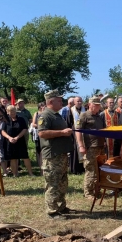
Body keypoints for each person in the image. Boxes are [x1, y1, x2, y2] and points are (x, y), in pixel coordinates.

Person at [38, 89, 74, 220]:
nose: (62, 102)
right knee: (53, 183)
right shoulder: (45, 115)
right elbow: (42, 133)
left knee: (62, 181)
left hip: (61, 155)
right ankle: (52, 211)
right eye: (59, 100)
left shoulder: (56, 115)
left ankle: (61, 206)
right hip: (52, 156)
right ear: (51, 101)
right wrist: (63, 133)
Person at [75, 96, 106, 200]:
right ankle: (88, 193)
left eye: (98, 105)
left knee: (99, 170)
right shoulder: (84, 115)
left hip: (100, 147)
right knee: (90, 170)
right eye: (95, 105)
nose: (97, 107)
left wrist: (104, 141)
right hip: (90, 148)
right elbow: (78, 131)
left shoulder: (99, 116)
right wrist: (81, 146)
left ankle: (97, 190)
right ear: (89, 105)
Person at [1, 105, 34, 177]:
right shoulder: (5, 120)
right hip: (10, 141)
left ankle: (31, 173)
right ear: (7, 112)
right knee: (13, 158)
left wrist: (17, 137)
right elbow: (3, 131)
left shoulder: (21, 119)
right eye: (11, 111)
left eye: (14, 111)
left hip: (20, 140)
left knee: (25, 156)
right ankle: (15, 174)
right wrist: (9, 138)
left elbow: (25, 129)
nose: (13, 113)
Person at [66, 96, 85, 174]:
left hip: (84, 132)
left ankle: (84, 168)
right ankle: (75, 169)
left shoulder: (85, 109)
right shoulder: (71, 110)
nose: (79, 103)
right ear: (74, 102)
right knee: (75, 151)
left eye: (80, 101)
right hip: (74, 133)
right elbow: (68, 122)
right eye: (77, 101)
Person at [31, 102, 46, 175]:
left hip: (46, 134)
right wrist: (41, 126)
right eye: (42, 106)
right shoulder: (36, 114)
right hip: (38, 134)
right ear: (39, 107)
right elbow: (33, 124)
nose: (44, 107)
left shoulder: (47, 113)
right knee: (40, 152)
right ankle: (41, 170)